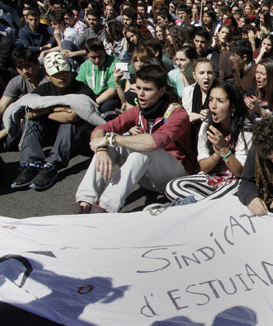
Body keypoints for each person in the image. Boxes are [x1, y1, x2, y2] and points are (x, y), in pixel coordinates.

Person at [74, 65, 195, 213]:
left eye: (147, 89)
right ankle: (85, 199)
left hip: (175, 178)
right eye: (138, 88)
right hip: (148, 178)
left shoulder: (177, 113)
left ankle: (106, 207)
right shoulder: (138, 110)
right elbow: (100, 130)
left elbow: (155, 142)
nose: (141, 94)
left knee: (142, 150)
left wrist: (111, 139)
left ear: (162, 90)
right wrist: (101, 149)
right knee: (110, 146)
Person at [10, 53, 95, 191]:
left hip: (80, 137)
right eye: (56, 74)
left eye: (65, 73)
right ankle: (31, 164)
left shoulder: (82, 89)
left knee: (69, 124)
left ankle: (52, 165)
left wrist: (42, 111)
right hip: (53, 133)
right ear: (48, 77)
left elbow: (71, 116)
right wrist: (52, 109)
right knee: (31, 122)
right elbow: (25, 113)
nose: (62, 77)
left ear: (70, 73)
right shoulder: (44, 89)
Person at [166, 82, 253, 202]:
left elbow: (239, 172)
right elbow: (204, 167)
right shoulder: (207, 125)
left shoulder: (245, 128)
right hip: (211, 179)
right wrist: (217, 154)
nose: (213, 106)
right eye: (211, 100)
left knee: (237, 188)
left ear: (232, 107)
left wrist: (223, 148)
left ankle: (196, 204)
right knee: (173, 186)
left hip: (234, 182)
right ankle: (207, 204)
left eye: (220, 101)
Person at [75, 38, 120, 113]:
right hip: (92, 96)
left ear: (104, 52)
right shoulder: (85, 66)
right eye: (93, 57)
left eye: (100, 56)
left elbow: (113, 90)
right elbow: (79, 84)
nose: (97, 60)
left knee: (105, 107)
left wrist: (94, 103)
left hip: (109, 97)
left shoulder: (115, 63)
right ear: (87, 55)